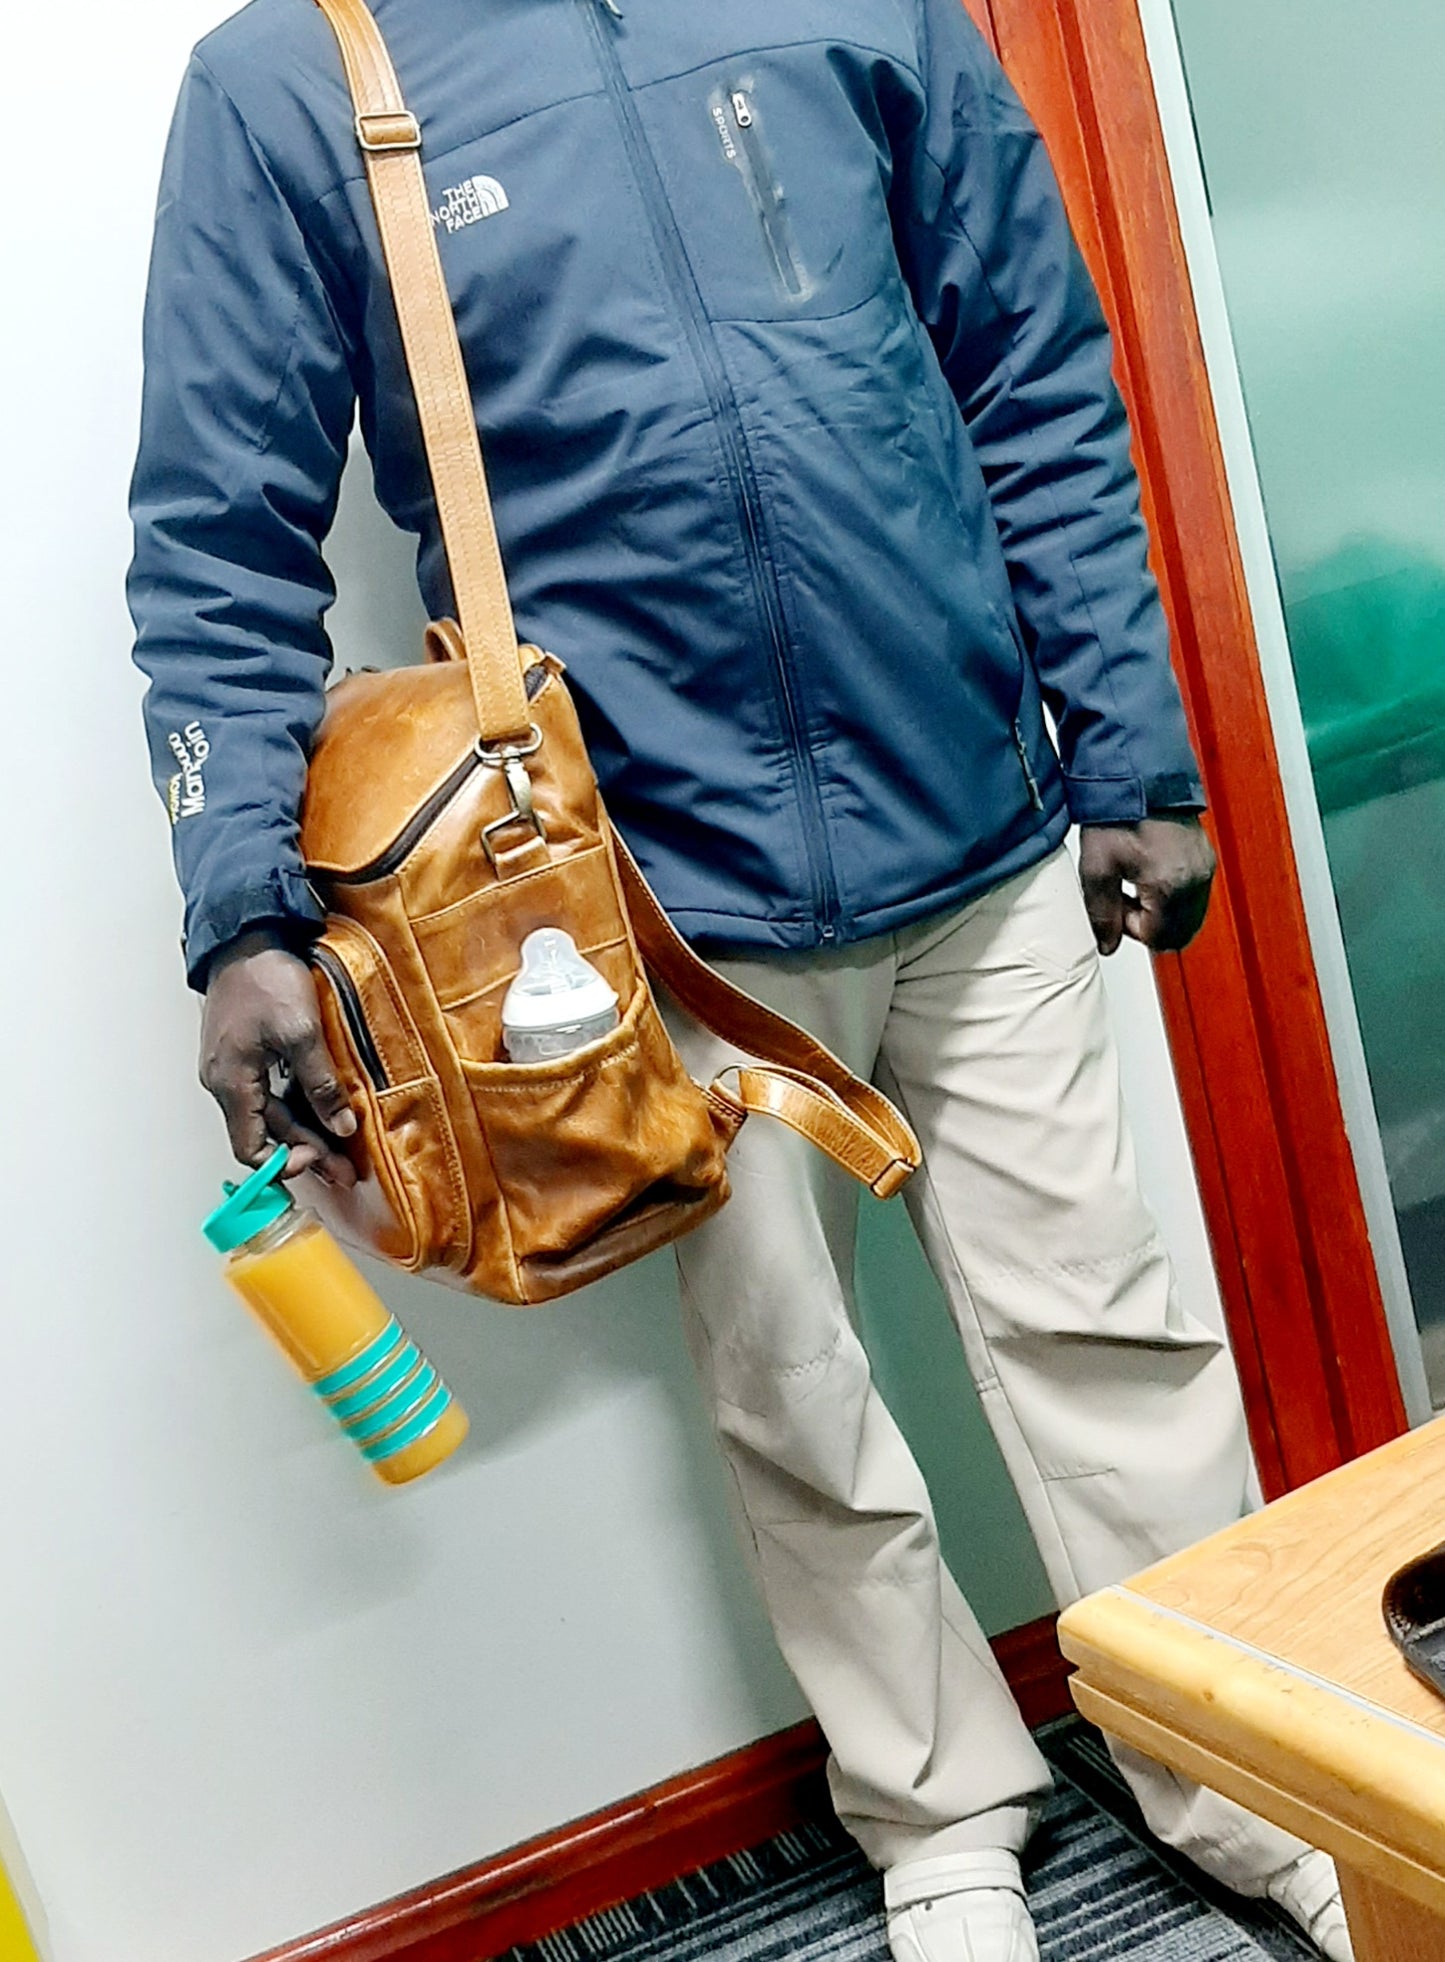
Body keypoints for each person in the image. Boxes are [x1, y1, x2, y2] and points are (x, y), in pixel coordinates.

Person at [128, 1, 1352, 1956]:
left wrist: (1126, 746)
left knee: (1107, 1338)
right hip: (642, 911)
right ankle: (938, 1812)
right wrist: (245, 919)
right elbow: (219, 538)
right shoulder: (300, 73)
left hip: (980, 818)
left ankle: (1264, 1771)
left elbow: (1027, 363)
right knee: (796, 1391)